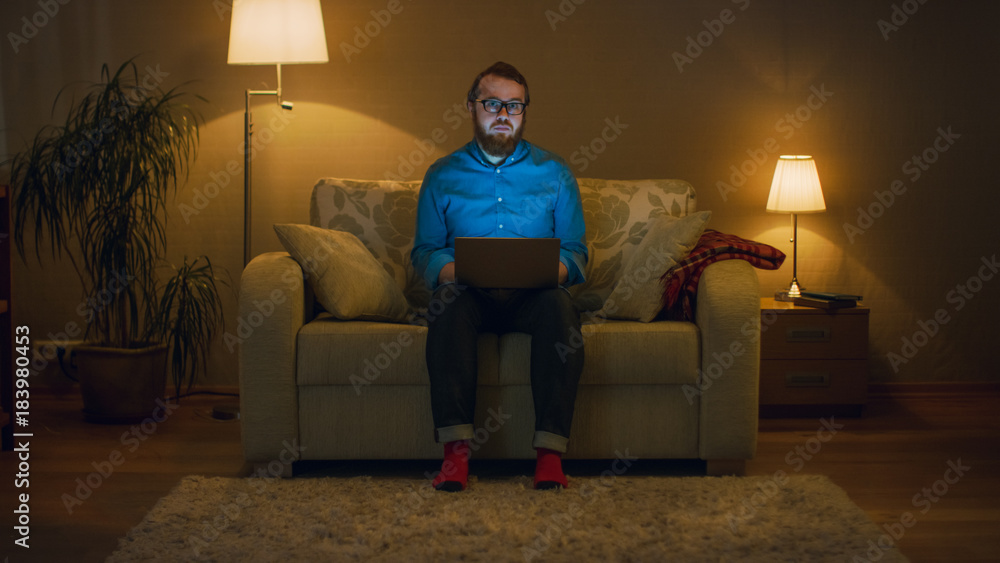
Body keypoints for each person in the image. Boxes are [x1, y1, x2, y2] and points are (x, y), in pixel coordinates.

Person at [411, 61, 588, 491]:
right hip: (468, 297)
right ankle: (455, 457)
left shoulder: (556, 173)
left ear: (525, 111)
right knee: (447, 301)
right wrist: (459, 271)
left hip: (534, 298)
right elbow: (425, 253)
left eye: (515, 105)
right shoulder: (441, 174)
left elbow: (577, 253)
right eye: (493, 103)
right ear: (471, 107)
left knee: (561, 306)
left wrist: (550, 271)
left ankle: (549, 458)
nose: (504, 114)